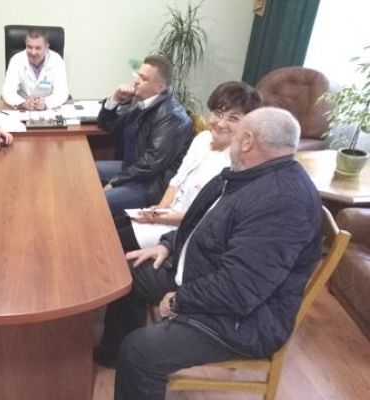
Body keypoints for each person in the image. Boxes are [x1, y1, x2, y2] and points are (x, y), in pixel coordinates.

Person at [95, 107, 324, 400]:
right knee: (126, 274)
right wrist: (167, 244)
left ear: (247, 141)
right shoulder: (247, 176)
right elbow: (202, 222)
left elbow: (240, 289)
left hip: (244, 320)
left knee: (140, 352)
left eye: (236, 133)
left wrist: (179, 300)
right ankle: (112, 354)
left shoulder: (281, 202)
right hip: (204, 278)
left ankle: (130, 362)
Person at [115, 81, 262, 251]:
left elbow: (204, 216)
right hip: (165, 215)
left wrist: (157, 218)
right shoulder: (202, 139)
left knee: (112, 241)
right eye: (218, 114)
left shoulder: (236, 164)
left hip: (185, 231)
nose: (221, 124)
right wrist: (160, 209)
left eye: (233, 118)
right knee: (111, 224)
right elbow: (177, 180)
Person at [96, 55, 193, 215]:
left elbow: (151, 163)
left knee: (97, 201)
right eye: (138, 75)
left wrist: (116, 182)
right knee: (87, 171)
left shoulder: (172, 116)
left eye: (144, 78)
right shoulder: (143, 103)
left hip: (151, 184)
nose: (136, 81)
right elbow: (107, 125)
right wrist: (115, 99)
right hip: (132, 170)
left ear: (160, 87)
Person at [1, 27, 69, 110]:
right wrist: (22, 103)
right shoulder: (16, 60)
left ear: (46, 47)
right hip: (23, 110)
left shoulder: (56, 61)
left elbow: (62, 93)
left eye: (38, 48)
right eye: (29, 47)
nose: (33, 52)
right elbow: (7, 91)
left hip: (48, 110)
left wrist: (46, 103)